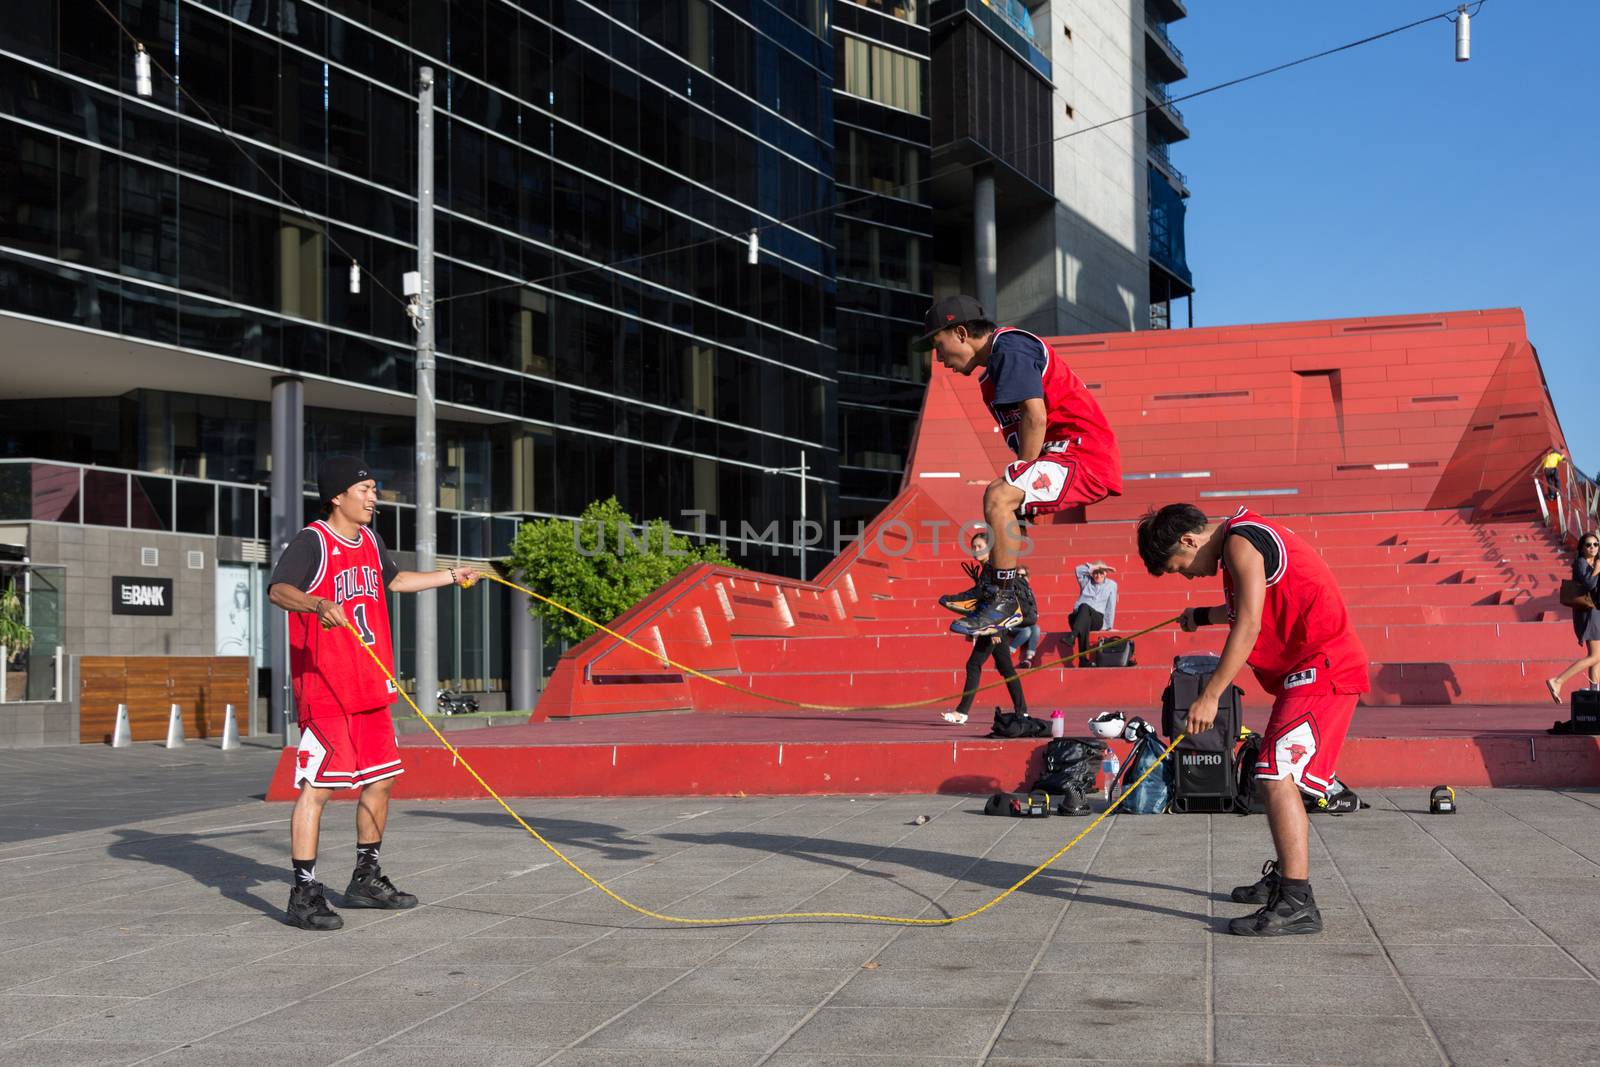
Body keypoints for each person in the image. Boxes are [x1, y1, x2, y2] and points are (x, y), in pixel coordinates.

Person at [268, 456, 481, 932]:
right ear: (337, 495)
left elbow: (396, 580)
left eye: (374, 487)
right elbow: (278, 590)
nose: (373, 496)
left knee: (382, 780)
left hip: (371, 685)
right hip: (327, 689)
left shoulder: (370, 540)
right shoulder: (313, 542)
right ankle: (302, 891)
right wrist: (317, 602)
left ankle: (365, 877)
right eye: (364, 488)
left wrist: (452, 575)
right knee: (318, 789)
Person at [1137, 503, 1369, 936]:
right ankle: (1286, 880)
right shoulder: (1240, 542)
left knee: (1274, 772)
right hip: (1310, 670)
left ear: (1190, 540)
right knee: (1274, 771)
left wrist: (1210, 695)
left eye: (1180, 566)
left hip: (1324, 666)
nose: (1186, 575)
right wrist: (1201, 616)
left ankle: (1297, 901)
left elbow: (1248, 624)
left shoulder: (1242, 542)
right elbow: (1247, 604)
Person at [916, 295, 1122, 638]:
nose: (939, 359)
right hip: (1061, 456)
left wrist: (1021, 476)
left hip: (1084, 455)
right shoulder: (991, 376)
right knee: (1000, 498)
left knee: (998, 495)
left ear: (962, 333)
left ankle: (1003, 599)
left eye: (939, 346)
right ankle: (997, 592)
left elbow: (1035, 417)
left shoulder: (1008, 347)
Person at [942, 531, 1027, 725]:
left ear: (990, 548)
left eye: (979, 546)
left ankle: (962, 712)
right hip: (992, 625)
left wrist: (995, 629)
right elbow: (985, 600)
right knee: (1006, 669)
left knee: (974, 665)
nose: (975, 550)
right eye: (973, 546)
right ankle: (1022, 712)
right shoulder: (988, 569)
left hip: (994, 625)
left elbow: (999, 600)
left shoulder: (992, 569)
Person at [1546, 532, 1600, 703]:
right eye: (1588, 545)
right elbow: (1588, 585)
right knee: (1596, 656)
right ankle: (1558, 680)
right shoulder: (1580, 563)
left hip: (1597, 611)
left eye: (1596, 544)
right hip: (1588, 613)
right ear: (1582, 548)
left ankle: (1594, 692)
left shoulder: (1595, 562)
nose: (1592, 547)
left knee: (1596, 656)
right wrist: (1598, 570)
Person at [1066, 560, 1118, 664]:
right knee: (1083, 618)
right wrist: (1096, 566)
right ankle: (1083, 660)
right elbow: (1078, 570)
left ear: (1106, 573)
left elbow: (1111, 606)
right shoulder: (1086, 581)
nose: (1098, 575)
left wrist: (1108, 627)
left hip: (1097, 618)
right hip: (1079, 617)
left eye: (1101, 572)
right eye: (1096, 572)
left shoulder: (1111, 585)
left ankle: (1073, 635)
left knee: (1085, 607)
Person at [1008, 567, 1041, 668]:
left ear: (1028, 578)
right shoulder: (1010, 589)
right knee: (1026, 631)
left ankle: (1029, 658)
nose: (1020, 577)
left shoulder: (1029, 592)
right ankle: (1008, 653)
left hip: (1024, 622)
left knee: (1036, 628)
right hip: (1011, 623)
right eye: (1017, 575)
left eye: (1023, 575)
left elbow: (1034, 609)